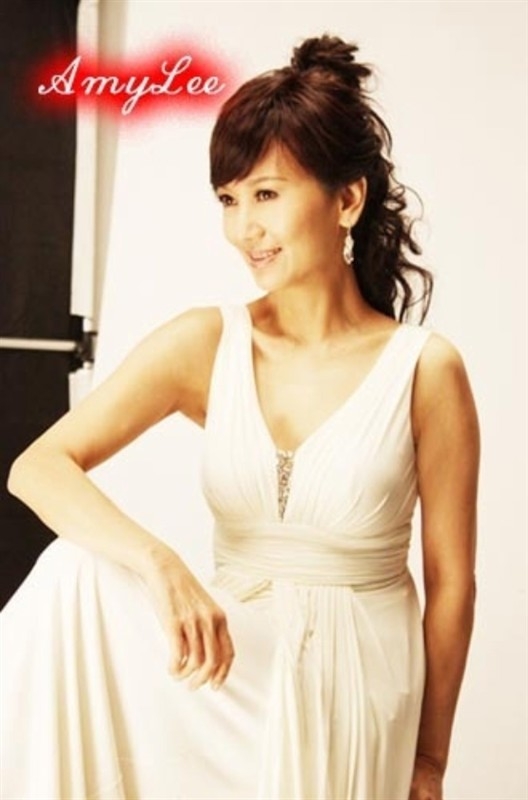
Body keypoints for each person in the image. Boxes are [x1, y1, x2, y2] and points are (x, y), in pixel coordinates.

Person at [0, 34, 479, 800]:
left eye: (266, 195)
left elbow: (451, 584)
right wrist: (161, 566)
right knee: (71, 576)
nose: (242, 229)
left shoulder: (424, 370)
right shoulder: (207, 342)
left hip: (355, 686)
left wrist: (430, 761)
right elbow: (37, 468)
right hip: (234, 667)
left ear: (347, 200)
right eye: (229, 199)